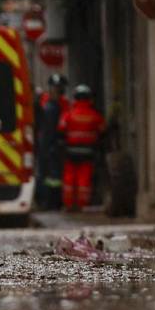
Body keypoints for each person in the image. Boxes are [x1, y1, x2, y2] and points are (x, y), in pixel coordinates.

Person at [58, 84, 105, 212]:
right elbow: (102, 131)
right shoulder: (95, 116)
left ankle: (68, 204)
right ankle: (82, 204)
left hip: (70, 152)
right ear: (89, 99)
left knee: (69, 178)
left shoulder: (68, 115)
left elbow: (61, 131)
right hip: (88, 152)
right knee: (84, 178)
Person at [35, 74, 69, 210]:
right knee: (48, 175)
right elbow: (46, 129)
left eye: (59, 89)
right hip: (48, 145)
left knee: (54, 176)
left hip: (55, 145)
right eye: (55, 88)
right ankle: (48, 201)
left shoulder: (63, 105)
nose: (57, 92)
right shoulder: (48, 106)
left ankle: (53, 201)